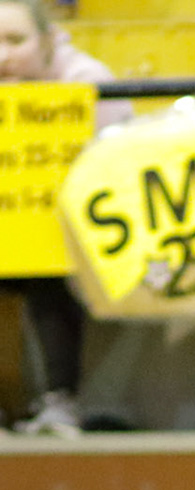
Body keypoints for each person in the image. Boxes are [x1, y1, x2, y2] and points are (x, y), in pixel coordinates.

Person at [0, 0, 129, 436]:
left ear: (49, 41)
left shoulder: (87, 82)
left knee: (46, 270)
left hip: (77, 236)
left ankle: (60, 402)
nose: (2, 56)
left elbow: (114, 170)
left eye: (15, 41)